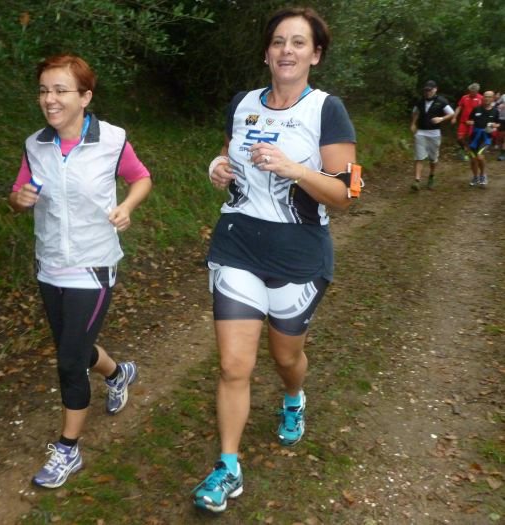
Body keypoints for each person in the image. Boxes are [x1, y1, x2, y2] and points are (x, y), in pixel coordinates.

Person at [194, 7, 357, 513]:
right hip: (238, 243)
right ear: (266, 53)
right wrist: (218, 168)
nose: (287, 50)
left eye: (298, 42)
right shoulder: (243, 103)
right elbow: (229, 158)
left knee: (285, 357)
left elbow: (348, 192)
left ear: (315, 55)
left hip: (298, 252)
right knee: (233, 364)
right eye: (278, 42)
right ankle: (228, 467)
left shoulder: (326, 110)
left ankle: (293, 397)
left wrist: (295, 169)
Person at [9, 53, 152, 488]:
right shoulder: (35, 145)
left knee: (69, 360)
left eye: (60, 90)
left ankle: (68, 449)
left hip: (93, 266)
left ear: (85, 97)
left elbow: (141, 178)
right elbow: (17, 193)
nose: (49, 99)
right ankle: (118, 373)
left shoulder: (111, 140)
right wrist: (19, 200)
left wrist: (127, 207)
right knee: (74, 347)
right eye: (43, 90)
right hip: (49, 265)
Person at [409, 80, 454, 190]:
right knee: (419, 156)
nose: (427, 92)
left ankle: (431, 176)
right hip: (421, 132)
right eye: (426, 90)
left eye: (429, 90)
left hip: (434, 133)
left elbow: (451, 113)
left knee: (433, 159)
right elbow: (415, 112)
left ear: (435, 89)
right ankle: (417, 181)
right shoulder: (420, 101)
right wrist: (413, 123)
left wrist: (441, 118)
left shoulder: (441, 101)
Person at [465, 90, 500, 186]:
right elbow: (468, 120)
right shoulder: (476, 109)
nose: (487, 98)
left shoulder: (495, 111)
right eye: (485, 96)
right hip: (474, 137)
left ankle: (483, 175)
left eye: (489, 97)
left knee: (480, 157)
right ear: (482, 98)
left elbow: (498, 124)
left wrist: (494, 125)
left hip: (486, 138)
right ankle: (475, 177)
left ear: (493, 99)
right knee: (473, 159)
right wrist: (470, 122)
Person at [452, 83, 483, 161]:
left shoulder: (481, 98)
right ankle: (465, 149)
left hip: (474, 123)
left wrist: (477, 121)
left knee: (471, 139)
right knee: (459, 138)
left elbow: (483, 111)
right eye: (470, 91)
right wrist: (454, 117)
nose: (471, 93)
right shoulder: (464, 97)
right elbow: (459, 107)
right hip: (463, 122)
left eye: (473, 91)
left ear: (477, 91)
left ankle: (470, 154)